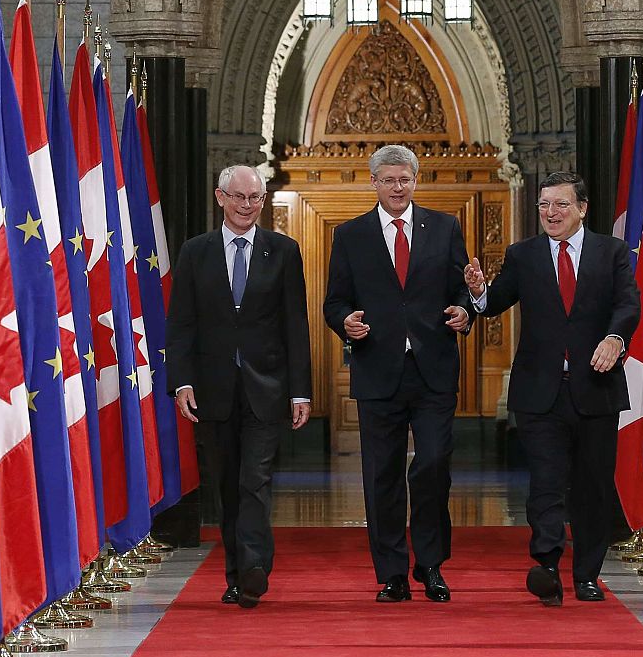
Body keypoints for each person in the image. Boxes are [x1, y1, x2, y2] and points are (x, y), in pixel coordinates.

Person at [465, 171, 639, 605]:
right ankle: (546, 565)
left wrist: (615, 339)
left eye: (560, 205)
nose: (550, 213)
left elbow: (628, 304)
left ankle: (586, 576)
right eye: (544, 205)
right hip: (540, 391)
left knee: (591, 486)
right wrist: (479, 291)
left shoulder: (611, 252)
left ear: (582, 208)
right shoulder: (522, 255)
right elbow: (495, 302)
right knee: (545, 481)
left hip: (595, 389)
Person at [323, 144, 472, 603]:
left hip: (433, 370)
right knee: (381, 475)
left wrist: (463, 312)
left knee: (431, 467)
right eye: (388, 180)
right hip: (377, 372)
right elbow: (335, 301)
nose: (397, 187)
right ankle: (391, 573)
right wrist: (343, 321)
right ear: (374, 183)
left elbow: (461, 291)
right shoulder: (350, 235)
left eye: (405, 179)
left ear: (416, 179)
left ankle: (430, 566)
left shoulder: (445, 227)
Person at [169, 165, 311, 609]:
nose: (247, 206)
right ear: (220, 197)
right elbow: (181, 324)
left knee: (255, 479)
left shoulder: (283, 251)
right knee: (228, 485)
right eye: (239, 197)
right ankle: (236, 575)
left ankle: (253, 566)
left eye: (255, 198)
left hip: (266, 388)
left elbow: (295, 326)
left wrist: (300, 391)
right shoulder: (195, 252)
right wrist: (182, 383)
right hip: (212, 391)